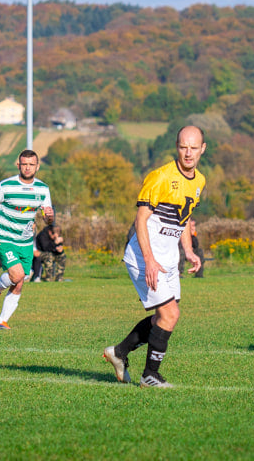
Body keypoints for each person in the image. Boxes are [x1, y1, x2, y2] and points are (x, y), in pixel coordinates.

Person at [103, 125, 206, 388]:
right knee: (169, 314)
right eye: (184, 147)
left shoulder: (200, 181)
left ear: (202, 149)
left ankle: (119, 352)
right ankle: (150, 376)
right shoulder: (160, 177)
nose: (188, 153)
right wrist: (149, 260)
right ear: (177, 146)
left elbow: (183, 218)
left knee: (166, 316)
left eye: (194, 148)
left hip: (169, 257)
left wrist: (189, 251)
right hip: (143, 255)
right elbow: (141, 219)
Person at [0, 149, 54, 330]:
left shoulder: (43, 189)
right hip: (5, 238)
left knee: (20, 280)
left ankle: (2, 321)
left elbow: (47, 218)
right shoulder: (5, 186)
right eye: (24, 164)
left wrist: (49, 217)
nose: (28, 168)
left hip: (25, 242)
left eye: (31, 164)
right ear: (18, 165)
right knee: (16, 275)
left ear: (37, 166)